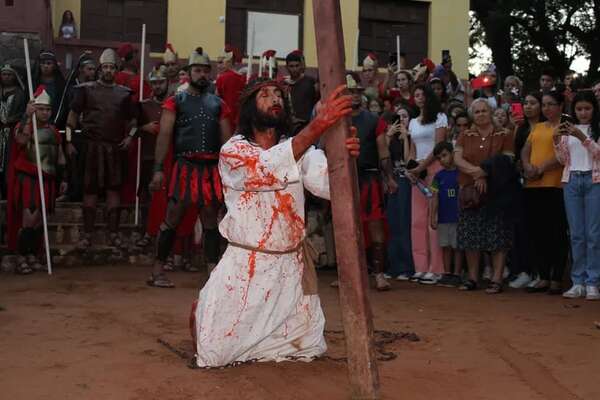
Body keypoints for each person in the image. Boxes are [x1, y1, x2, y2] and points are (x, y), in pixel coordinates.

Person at [189, 79, 357, 367]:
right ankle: (202, 312)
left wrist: (343, 158)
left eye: (279, 94)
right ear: (249, 108)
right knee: (214, 354)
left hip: (291, 266)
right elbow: (265, 168)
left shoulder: (299, 150)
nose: (274, 99)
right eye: (264, 95)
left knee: (307, 347)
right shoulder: (233, 151)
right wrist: (317, 126)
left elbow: (329, 186)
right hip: (247, 265)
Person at [147, 48, 232, 288]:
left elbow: (227, 142)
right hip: (185, 167)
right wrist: (158, 169)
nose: (202, 75)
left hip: (210, 169)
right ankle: (157, 271)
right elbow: (164, 135)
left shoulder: (219, 104)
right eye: (198, 70)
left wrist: (229, 173)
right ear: (189, 73)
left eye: (206, 70)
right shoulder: (176, 101)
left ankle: (213, 274)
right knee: (172, 217)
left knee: (209, 220)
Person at [66, 48, 136, 250]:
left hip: (114, 147)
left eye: (111, 67)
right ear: (99, 69)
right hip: (92, 146)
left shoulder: (124, 94)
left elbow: (133, 120)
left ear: (116, 70)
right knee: (90, 189)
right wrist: (69, 141)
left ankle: (113, 233)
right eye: (105, 67)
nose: (108, 70)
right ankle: (87, 234)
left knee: (114, 189)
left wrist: (130, 137)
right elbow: (72, 116)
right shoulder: (86, 90)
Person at [454, 98, 515, 293]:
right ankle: (472, 278)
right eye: (477, 111)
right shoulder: (465, 134)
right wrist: (477, 173)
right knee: (471, 235)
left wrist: (485, 173)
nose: (481, 114)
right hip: (470, 191)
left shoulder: (504, 134)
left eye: (484, 111)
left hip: (497, 192)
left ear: (491, 112)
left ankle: (497, 278)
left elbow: (507, 161)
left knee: (497, 235)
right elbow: (457, 158)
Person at [11, 88, 67, 274]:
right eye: (41, 109)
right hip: (30, 179)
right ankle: (21, 257)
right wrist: (27, 117)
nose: (45, 112)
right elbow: (20, 141)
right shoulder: (25, 126)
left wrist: (64, 177)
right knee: (29, 219)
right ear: (35, 109)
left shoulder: (53, 130)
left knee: (38, 222)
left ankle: (32, 255)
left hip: (48, 179)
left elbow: (59, 157)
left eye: (47, 109)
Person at [553, 90, 600, 300]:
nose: (583, 113)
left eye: (587, 109)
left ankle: (592, 282)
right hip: (571, 180)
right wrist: (556, 140)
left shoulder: (596, 129)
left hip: (594, 180)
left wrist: (583, 138)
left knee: (593, 234)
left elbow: (598, 153)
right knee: (576, 234)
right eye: (579, 109)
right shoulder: (567, 131)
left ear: (594, 109)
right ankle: (578, 281)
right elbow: (563, 159)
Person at [521, 90, 568, 295]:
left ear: (561, 106)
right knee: (537, 232)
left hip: (555, 184)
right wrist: (527, 166)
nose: (547, 108)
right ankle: (543, 276)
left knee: (556, 232)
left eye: (551, 104)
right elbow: (525, 149)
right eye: (545, 104)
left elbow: (562, 155)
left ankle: (557, 278)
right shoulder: (538, 126)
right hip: (533, 185)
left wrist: (539, 169)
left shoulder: (565, 127)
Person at [346, 72, 390, 290]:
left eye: (357, 92)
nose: (354, 96)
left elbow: (383, 152)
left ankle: (379, 274)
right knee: (347, 227)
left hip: (369, 177)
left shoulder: (374, 120)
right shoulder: (336, 121)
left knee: (374, 225)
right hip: (344, 179)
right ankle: (351, 275)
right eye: (350, 92)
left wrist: (389, 177)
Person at [406, 84, 448, 284]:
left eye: (422, 94)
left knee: (433, 218)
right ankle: (420, 267)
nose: (419, 98)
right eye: (416, 95)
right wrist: (411, 168)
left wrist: (422, 166)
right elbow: (413, 150)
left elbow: (439, 146)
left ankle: (436, 268)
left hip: (435, 170)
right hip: (418, 173)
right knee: (417, 221)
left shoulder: (440, 118)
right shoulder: (413, 122)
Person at [509, 91, 544, 289]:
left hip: (546, 183)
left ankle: (542, 272)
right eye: (526, 103)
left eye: (532, 103)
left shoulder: (547, 127)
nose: (528, 106)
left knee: (542, 229)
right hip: (524, 184)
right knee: (523, 229)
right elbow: (516, 156)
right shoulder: (520, 130)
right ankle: (525, 270)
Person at [134, 66, 169, 248]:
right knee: (146, 197)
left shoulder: (174, 104)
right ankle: (146, 233)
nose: (157, 86)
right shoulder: (143, 105)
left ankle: (162, 233)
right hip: (148, 155)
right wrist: (143, 128)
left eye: (161, 82)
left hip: (168, 158)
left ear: (167, 82)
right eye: (154, 83)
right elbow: (131, 128)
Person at [382, 105, 416, 280]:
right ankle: (394, 266)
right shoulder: (388, 137)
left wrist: (405, 139)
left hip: (405, 180)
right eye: (398, 117)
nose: (401, 120)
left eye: (404, 116)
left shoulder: (410, 137)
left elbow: (407, 160)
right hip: (391, 180)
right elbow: (383, 156)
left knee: (404, 222)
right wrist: (388, 136)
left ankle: (407, 267)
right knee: (392, 222)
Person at [61, 56, 97, 202]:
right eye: (89, 69)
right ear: (81, 69)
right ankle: (72, 193)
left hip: (91, 134)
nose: (93, 72)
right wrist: (68, 141)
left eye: (94, 69)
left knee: (90, 166)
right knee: (74, 165)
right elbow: (68, 116)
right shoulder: (72, 89)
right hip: (75, 134)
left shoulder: (95, 87)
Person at [431, 141, 463, 287]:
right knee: (445, 246)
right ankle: (447, 273)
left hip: (458, 217)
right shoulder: (438, 176)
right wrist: (433, 216)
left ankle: (457, 274)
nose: (442, 160)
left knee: (457, 246)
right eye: (439, 158)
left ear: (452, 154)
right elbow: (434, 197)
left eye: (444, 155)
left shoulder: (461, 174)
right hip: (443, 218)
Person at [0, 64, 26, 199]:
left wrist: (10, 120)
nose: (6, 77)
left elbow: (22, 113)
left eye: (9, 74)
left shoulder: (19, 93)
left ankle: (7, 192)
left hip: (11, 132)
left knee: (8, 161)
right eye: (4, 74)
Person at [284, 50, 319, 136]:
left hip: (307, 126)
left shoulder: (310, 82)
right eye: (291, 66)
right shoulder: (284, 84)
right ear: (287, 67)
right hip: (289, 127)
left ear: (301, 66)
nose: (294, 69)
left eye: (297, 66)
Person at [216, 44, 246, 132]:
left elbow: (216, 98)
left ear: (229, 62)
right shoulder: (243, 78)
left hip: (225, 119)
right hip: (239, 120)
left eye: (221, 63)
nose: (218, 66)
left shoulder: (222, 78)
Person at [32, 50, 66, 126]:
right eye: (43, 63)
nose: (46, 66)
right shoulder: (33, 82)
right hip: (35, 122)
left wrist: (56, 120)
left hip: (55, 121)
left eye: (49, 63)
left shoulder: (60, 84)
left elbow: (63, 104)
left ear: (54, 65)